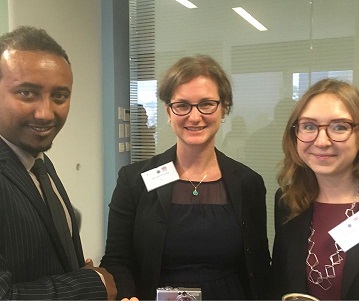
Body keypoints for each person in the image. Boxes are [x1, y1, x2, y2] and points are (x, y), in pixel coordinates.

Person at [100, 54, 271, 300]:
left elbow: (259, 263)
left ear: (224, 108)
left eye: (206, 104)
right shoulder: (134, 180)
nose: (194, 116)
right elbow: (117, 258)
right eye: (182, 105)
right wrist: (127, 295)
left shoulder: (248, 182)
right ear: (168, 113)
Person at [0, 26, 116, 299]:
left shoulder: (39, 162)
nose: (45, 113)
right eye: (26, 93)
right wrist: (91, 286)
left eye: (59, 96)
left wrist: (75, 270)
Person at [272, 78, 359, 300]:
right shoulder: (288, 201)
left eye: (339, 127)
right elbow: (280, 282)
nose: (322, 141)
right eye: (309, 126)